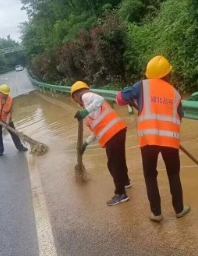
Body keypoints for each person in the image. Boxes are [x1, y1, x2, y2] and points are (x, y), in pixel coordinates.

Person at [116, 55, 190, 222]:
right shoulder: (176, 93)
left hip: (149, 141)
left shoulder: (141, 86)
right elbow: (180, 116)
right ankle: (179, 209)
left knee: (150, 176)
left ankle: (156, 213)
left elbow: (120, 99)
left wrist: (129, 96)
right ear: (167, 74)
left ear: (149, 74)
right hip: (170, 141)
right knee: (174, 175)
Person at [71, 81, 131, 206]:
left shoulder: (86, 96)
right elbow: (95, 132)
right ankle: (125, 182)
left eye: (75, 98)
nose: (77, 100)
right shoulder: (89, 111)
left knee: (112, 164)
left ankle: (120, 194)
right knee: (119, 160)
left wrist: (84, 112)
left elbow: (100, 99)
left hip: (112, 134)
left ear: (76, 95)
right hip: (118, 130)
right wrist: (85, 145)